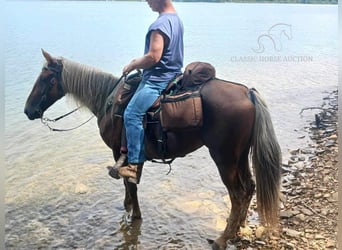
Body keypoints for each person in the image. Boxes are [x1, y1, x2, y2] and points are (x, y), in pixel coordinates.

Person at [115, 0, 184, 184]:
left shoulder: (160, 25)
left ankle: (134, 166)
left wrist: (132, 64)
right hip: (173, 75)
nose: (146, 1)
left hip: (157, 81)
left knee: (131, 114)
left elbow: (153, 56)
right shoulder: (175, 19)